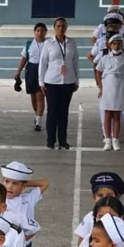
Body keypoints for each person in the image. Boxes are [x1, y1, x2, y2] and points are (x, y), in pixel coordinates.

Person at [39, 17, 79, 150]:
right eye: (58, 26)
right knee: (52, 112)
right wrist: (41, 81)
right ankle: (50, 140)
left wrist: (77, 80)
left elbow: (75, 63)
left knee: (64, 112)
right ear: (54, 28)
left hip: (68, 81)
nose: (61, 28)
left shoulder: (71, 42)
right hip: (52, 81)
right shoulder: (48, 43)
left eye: (63, 26)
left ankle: (63, 140)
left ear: (66, 27)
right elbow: (43, 63)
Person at [96, 35, 124, 151]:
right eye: (114, 43)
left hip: (119, 85)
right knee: (108, 114)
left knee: (117, 115)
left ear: (122, 45)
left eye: (119, 44)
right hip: (107, 85)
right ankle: (108, 140)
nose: (116, 46)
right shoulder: (105, 58)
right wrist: (100, 86)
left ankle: (115, 139)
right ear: (110, 45)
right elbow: (98, 71)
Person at [13, 23, 48, 131]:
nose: (40, 33)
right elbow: (24, 59)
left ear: (45, 32)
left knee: (40, 95)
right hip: (31, 71)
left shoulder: (48, 44)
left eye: (42, 31)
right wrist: (18, 72)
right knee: (33, 95)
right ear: (34, 32)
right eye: (38, 30)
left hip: (44, 70)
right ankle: (36, 114)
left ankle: (38, 121)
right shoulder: (29, 44)